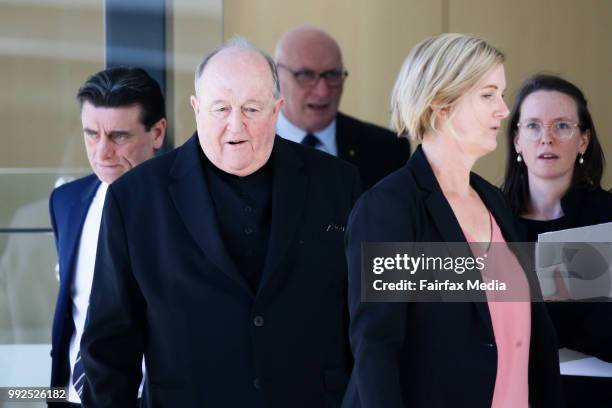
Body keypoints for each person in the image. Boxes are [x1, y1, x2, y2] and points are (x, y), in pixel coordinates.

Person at [80, 38, 360, 408]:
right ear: (197, 109)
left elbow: (366, 323)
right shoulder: (134, 199)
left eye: (251, 108)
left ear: (277, 110)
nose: (235, 125)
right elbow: (109, 348)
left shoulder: (338, 184)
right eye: (221, 108)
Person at [343, 34, 563, 407]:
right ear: (442, 105)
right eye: (488, 94)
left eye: (502, 94)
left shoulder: (493, 201)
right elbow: (376, 351)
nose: (503, 110)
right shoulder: (389, 208)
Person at [49, 66, 167, 407]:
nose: (102, 152)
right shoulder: (66, 201)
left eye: (118, 136)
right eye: (91, 134)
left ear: (157, 133)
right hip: (73, 396)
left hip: (151, 396)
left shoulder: (186, 210)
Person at [502, 74, 612, 408]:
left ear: (583, 140)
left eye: (562, 125)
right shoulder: (488, 220)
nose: (546, 138)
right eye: (533, 126)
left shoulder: (609, 217)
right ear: (517, 139)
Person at [274, 25, 410, 190]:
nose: (322, 92)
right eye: (306, 75)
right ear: (276, 76)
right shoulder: (247, 146)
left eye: (332, 75)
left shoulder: (387, 149)